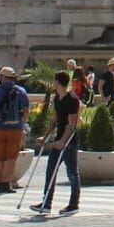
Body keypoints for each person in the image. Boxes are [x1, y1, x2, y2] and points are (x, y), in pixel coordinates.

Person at [30, 70, 82, 215]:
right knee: (50, 170)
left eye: (54, 81)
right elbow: (54, 121)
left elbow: (71, 125)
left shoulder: (72, 99)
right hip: (58, 139)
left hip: (69, 141)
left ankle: (74, 204)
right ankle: (47, 202)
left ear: (58, 82)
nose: (53, 84)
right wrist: (45, 137)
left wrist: (62, 142)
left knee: (72, 172)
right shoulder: (57, 99)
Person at [0, 67, 30, 194]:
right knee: (11, 158)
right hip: (16, 129)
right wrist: (22, 124)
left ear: (3, 78)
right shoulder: (21, 91)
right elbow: (26, 110)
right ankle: (6, 184)